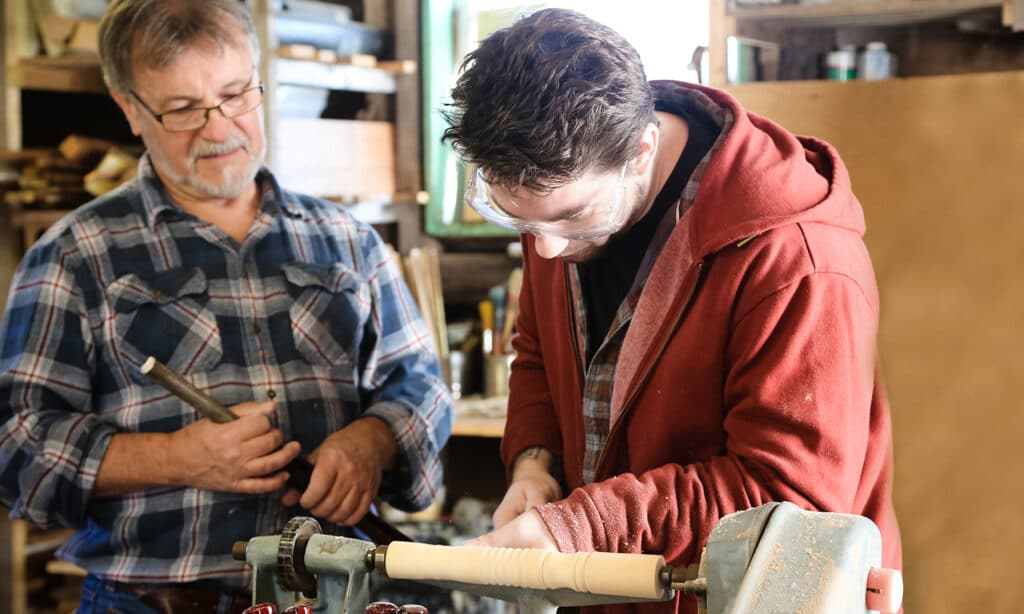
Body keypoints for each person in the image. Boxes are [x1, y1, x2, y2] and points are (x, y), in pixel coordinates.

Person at [443, 8, 901, 614]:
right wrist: (534, 464)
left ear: (641, 149)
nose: (546, 248)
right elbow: (536, 354)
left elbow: (790, 503)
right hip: (614, 591)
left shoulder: (797, 260)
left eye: (571, 218)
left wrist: (585, 526)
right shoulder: (552, 197)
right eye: (518, 219)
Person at [0, 1, 453, 612]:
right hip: (149, 601)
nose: (219, 129)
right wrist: (176, 458)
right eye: (183, 109)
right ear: (130, 107)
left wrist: (373, 441)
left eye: (236, 94)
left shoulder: (349, 241)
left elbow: (421, 385)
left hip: (329, 598)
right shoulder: (74, 256)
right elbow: (17, 446)